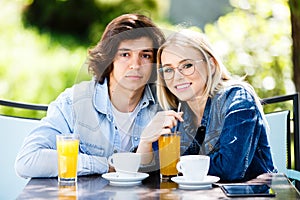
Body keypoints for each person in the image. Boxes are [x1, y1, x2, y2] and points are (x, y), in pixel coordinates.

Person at [15, 13, 165, 178]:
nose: (135, 65)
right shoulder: (74, 102)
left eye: (145, 56)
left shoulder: (163, 105)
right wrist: (105, 165)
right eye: (125, 54)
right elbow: (28, 160)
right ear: (109, 59)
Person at [138, 29, 276, 182]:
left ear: (211, 65)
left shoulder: (237, 100)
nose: (177, 77)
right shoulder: (177, 112)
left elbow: (229, 169)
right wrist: (145, 141)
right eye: (169, 69)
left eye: (187, 65)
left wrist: (175, 164)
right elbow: (152, 172)